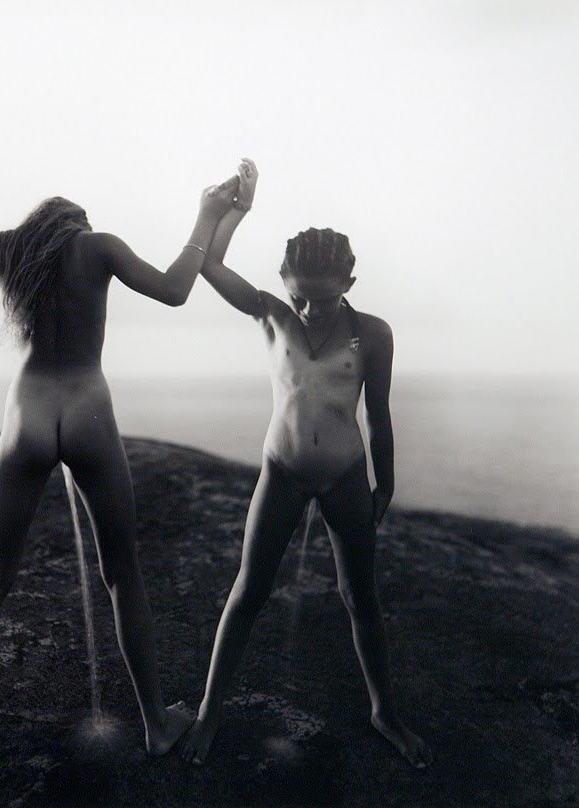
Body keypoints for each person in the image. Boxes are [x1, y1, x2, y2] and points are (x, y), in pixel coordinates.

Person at [0, 166, 239, 754]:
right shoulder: (98, 246)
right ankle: (155, 723)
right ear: (74, 223)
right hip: (87, 407)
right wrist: (208, 215)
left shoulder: (10, 249)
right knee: (121, 571)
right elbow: (175, 289)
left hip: (29, 411)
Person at [178, 159, 433, 768]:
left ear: (350, 282)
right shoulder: (272, 314)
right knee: (249, 590)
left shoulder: (374, 334)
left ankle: (384, 711)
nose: (311, 311)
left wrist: (385, 483)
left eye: (325, 299)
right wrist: (236, 211)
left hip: (346, 474)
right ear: (284, 281)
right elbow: (210, 266)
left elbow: (379, 413)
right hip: (283, 471)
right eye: (301, 297)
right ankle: (209, 712)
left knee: (360, 596)